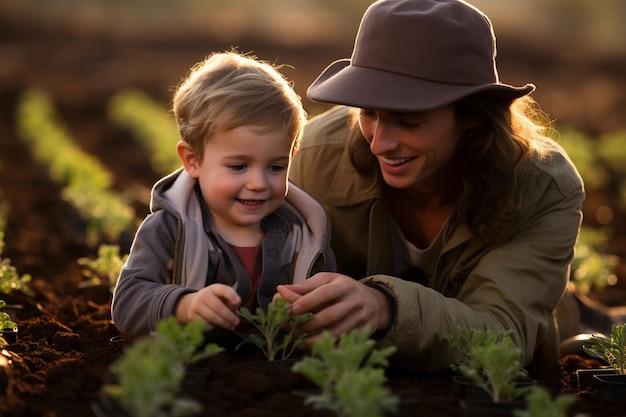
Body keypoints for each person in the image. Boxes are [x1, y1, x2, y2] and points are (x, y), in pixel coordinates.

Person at [276, 0, 585, 372]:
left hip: (499, 361)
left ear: (472, 116)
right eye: (368, 113)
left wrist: (385, 306)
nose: (378, 144)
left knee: (584, 329)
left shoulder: (542, 187)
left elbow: (503, 337)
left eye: (408, 120)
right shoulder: (314, 156)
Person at [111, 51, 336, 339]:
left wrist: (309, 310)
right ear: (192, 160)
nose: (258, 183)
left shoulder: (304, 233)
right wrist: (184, 304)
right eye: (238, 166)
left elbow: (328, 299)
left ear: (292, 157)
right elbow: (127, 303)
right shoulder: (170, 229)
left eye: (276, 167)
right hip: (194, 374)